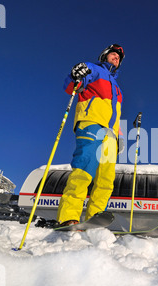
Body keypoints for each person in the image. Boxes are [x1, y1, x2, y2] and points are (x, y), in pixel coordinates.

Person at [57, 44, 125, 227]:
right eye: (113, 54)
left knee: (106, 178)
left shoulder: (118, 89)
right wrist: (75, 75)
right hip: (91, 124)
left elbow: (115, 115)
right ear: (104, 55)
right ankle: (68, 216)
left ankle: (96, 218)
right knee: (85, 168)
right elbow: (71, 87)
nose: (116, 58)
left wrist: (119, 137)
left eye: (119, 58)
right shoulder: (93, 69)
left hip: (111, 134)